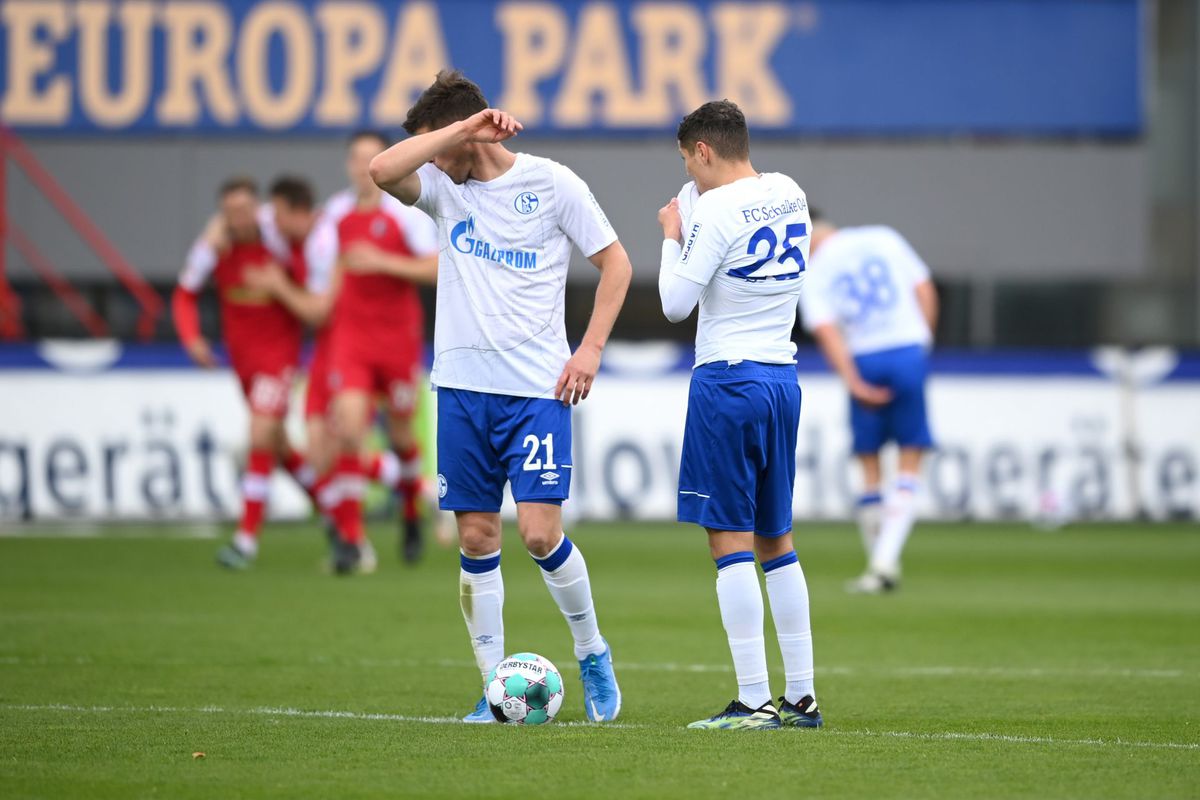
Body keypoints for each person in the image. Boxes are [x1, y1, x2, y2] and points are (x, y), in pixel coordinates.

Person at [368, 70, 632, 722]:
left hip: (537, 391)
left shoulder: (551, 184)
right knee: (479, 536)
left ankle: (592, 650)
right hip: (461, 391)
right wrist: (453, 133)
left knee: (541, 535)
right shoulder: (441, 185)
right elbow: (380, 170)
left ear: (471, 136)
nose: (430, 158)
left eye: (438, 144)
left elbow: (617, 264)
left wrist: (590, 349)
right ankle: (493, 688)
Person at [657, 100, 822, 730]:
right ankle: (801, 697)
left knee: (728, 542)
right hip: (783, 377)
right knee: (776, 538)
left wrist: (673, 235)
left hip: (728, 380)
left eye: (688, 163)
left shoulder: (715, 210)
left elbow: (675, 304)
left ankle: (754, 700)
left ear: (702, 150)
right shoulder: (789, 191)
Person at [173, 176, 308, 569]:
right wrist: (192, 337)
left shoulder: (277, 238)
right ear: (224, 215)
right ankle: (335, 513)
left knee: (260, 433)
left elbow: (306, 267)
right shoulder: (215, 246)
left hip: (280, 358)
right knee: (278, 446)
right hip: (244, 364)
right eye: (232, 212)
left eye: (246, 209)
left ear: (258, 209)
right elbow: (184, 293)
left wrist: (281, 283)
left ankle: (245, 540)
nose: (241, 217)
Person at [320, 131, 439, 573]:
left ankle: (410, 511)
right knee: (349, 430)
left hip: (396, 340)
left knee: (402, 437)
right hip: (351, 340)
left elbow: (438, 266)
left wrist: (383, 262)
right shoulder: (333, 213)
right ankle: (351, 538)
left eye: (371, 158)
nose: (361, 167)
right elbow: (326, 270)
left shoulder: (404, 211)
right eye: (355, 158)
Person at [800, 211, 938, 593]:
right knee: (911, 457)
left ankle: (879, 562)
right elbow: (924, 288)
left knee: (870, 465)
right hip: (907, 349)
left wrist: (853, 381)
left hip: (865, 357)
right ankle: (884, 561)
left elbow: (827, 332)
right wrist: (921, 342)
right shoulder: (884, 236)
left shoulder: (812, 271)